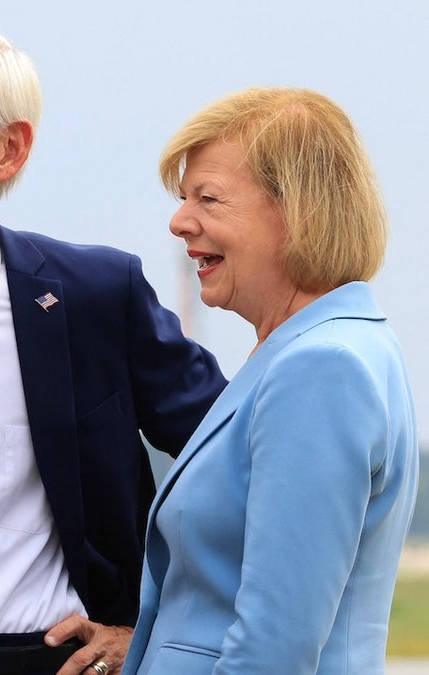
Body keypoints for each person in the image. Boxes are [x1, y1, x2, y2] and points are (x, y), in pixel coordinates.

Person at [0, 21, 229, 675]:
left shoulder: (95, 296)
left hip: (47, 659)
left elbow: (242, 462)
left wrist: (153, 626)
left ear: (9, 150)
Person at [121, 87, 420, 674]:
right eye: (185, 198)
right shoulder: (322, 347)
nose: (180, 221)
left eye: (208, 198)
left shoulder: (320, 368)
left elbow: (273, 651)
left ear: (298, 211)